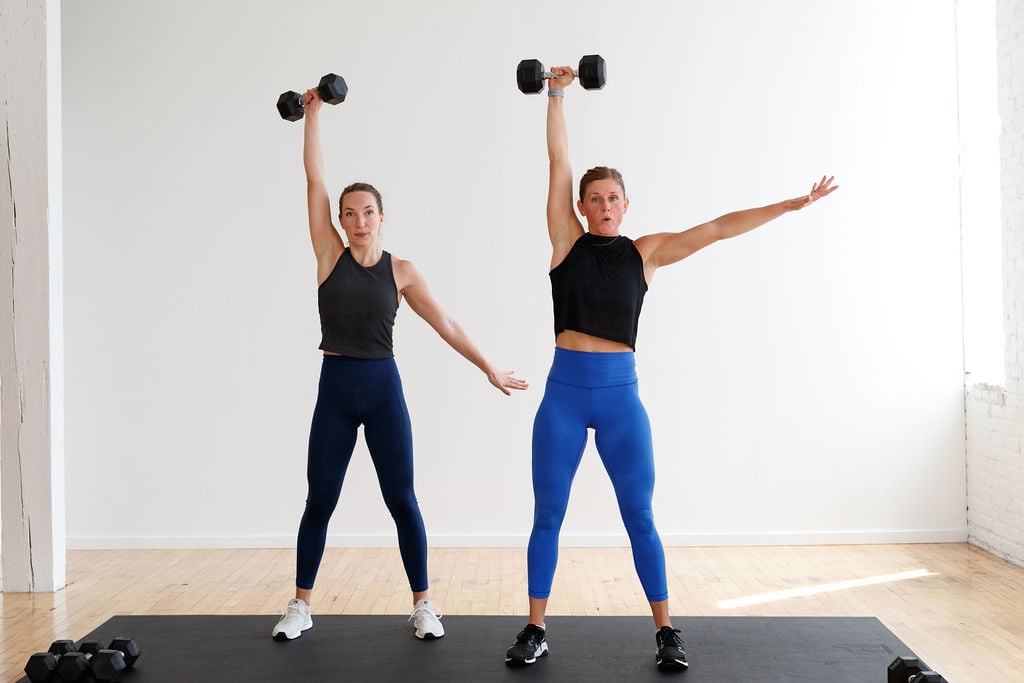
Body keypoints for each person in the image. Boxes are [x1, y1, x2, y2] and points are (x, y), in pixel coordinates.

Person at [503, 67, 838, 671]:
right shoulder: (564, 240)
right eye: (594, 198)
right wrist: (556, 96)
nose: (603, 206)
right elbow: (557, 160)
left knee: (640, 515)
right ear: (580, 206)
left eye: (613, 198)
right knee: (548, 512)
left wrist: (792, 204)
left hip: (619, 398)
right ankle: (534, 626)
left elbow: (716, 229)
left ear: (627, 205)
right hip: (563, 394)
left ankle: (666, 630)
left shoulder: (646, 252)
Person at [273, 84, 528, 643]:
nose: (359, 220)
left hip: (382, 388)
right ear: (338, 221)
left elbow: (448, 325)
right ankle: (301, 605)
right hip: (335, 386)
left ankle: (424, 603)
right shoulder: (327, 254)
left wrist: (488, 366)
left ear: (382, 216)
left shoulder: (402, 271)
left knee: (402, 499)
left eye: (368, 212)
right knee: (320, 498)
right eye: (349, 214)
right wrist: (313, 115)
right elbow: (315, 179)